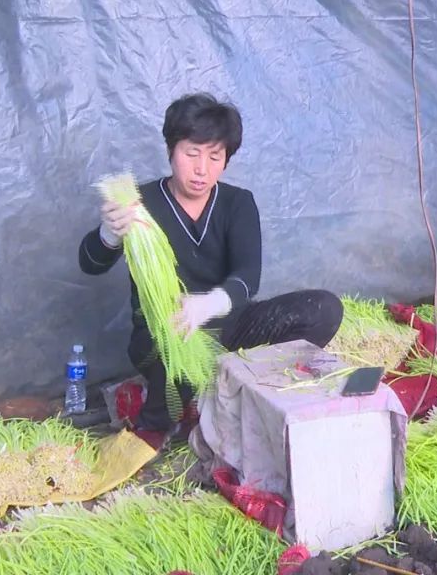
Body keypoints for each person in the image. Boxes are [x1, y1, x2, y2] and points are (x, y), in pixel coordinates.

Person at [79, 93, 343, 440]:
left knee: (324, 309)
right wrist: (109, 234)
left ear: (226, 161)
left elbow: (249, 277)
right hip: (166, 332)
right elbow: (89, 264)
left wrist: (209, 305)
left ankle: (234, 383)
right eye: (192, 154)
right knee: (172, 381)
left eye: (214, 157)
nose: (202, 169)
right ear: (172, 150)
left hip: (228, 326)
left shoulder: (237, 203)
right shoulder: (141, 204)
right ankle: (183, 403)